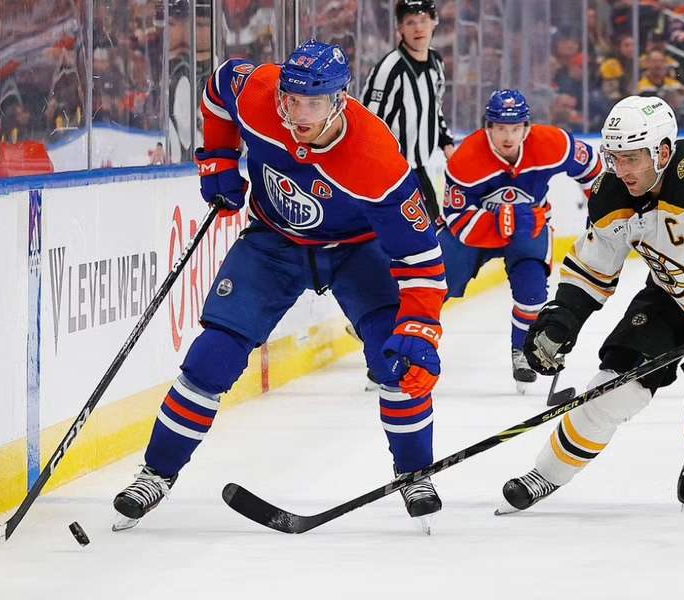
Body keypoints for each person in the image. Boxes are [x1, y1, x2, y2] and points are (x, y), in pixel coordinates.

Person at [113, 40, 447, 532]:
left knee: (395, 359)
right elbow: (218, 86)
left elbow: (419, 258)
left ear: (340, 100)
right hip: (274, 242)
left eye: (314, 103)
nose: (299, 113)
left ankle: (415, 472)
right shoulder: (262, 94)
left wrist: (420, 329)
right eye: (293, 100)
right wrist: (218, 160)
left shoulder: (375, 159)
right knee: (212, 356)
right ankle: (156, 474)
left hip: (356, 250)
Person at [498, 96, 684, 513]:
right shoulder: (610, 194)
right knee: (611, 391)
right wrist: (562, 318)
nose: (621, 171)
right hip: (672, 295)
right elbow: (592, 268)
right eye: (614, 157)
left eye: (632, 158)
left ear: (661, 151)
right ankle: (545, 474)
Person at [438, 89, 602, 393]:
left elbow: (593, 168)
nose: (508, 137)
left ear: (527, 127)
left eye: (515, 128)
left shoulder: (552, 143)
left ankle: (522, 352)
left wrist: (602, 210)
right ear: (488, 127)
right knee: (435, 284)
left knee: (533, 293)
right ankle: (398, 340)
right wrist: (505, 221)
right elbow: (456, 218)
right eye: (500, 128)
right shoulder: (464, 160)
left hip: (529, 225)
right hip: (475, 231)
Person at [361, 0, 455, 223]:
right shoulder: (389, 69)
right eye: (410, 22)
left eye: (423, 20)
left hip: (418, 168)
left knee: (431, 233)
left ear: (434, 23)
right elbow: (368, 124)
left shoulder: (436, 62)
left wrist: (447, 144)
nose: (418, 28)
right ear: (400, 28)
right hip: (390, 173)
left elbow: (435, 108)